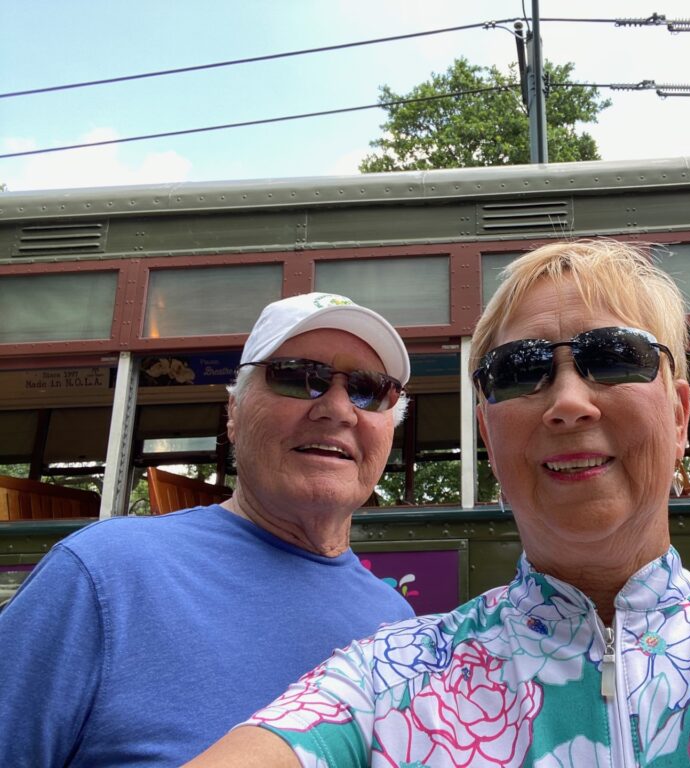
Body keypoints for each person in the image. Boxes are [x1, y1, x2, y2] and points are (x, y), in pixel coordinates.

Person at [187, 242, 690, 767]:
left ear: (680, 414)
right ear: (488, 433)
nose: (568, 401)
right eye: (521, 370)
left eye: (614, 358)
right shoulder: (384, 677)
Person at [0, 292, 416, 767]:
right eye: (301, 378)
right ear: (234, 414)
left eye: (369, 389)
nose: (339, 409)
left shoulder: (395, 621)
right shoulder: (103, 574)